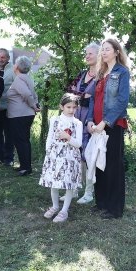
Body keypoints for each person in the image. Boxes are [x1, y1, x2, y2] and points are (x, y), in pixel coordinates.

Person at [86, 37, 130, 219]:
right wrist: (89, 120)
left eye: (107, 49)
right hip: (96, 126)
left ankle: (114, 208)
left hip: (112, 125)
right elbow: (92, 100)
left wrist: (105, 121)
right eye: (102, 49)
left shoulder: (122, 72)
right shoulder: (100, 73)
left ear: (117, 52)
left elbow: (122, 100)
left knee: (113, 165)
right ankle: (101, 203)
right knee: (98, 164)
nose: (103, 52)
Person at [40, 93, 84, 223]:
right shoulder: (54, 120)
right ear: (61, 106)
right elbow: (49, 137)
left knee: (68, 183)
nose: (71, 110)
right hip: (54, 156)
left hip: (70, 157)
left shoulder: (78, 123)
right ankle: (54, 206)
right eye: (68, 107)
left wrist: (68, 137)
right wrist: (48, 152)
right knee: (54, 183)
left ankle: (64, 210)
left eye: (74, 107)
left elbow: (78, 144)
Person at [68, 42, 100, 204]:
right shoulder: (81, 74)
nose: (86, 56)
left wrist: (82, 96)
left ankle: (88, 192)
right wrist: (83, 97)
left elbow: (95, 99)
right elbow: (69, 93)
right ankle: (74, 189)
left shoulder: (102, 76)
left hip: (91, 121)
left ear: (99, 55)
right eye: (86, 53)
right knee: (74, 155)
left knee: (88, 157)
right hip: (76, 120)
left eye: (90, 54)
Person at [6, 55, 39, 176]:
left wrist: (34, 106)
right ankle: (24, 166)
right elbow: (34, 95)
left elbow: (27, 94)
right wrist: (35, 104)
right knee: (23, 140)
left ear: (17, 66)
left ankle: (26, 168)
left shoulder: (19, 79)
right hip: (25, 115)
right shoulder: (27, 78)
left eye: (15, 63)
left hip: (19, 115)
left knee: (21, 141)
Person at [0, 48, 15, 166]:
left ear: (8, 58)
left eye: (3, 57)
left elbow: (17, 86)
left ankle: (9, 158)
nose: (0, 59)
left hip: (9, 106)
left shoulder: (13, 70)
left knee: (9, 133)